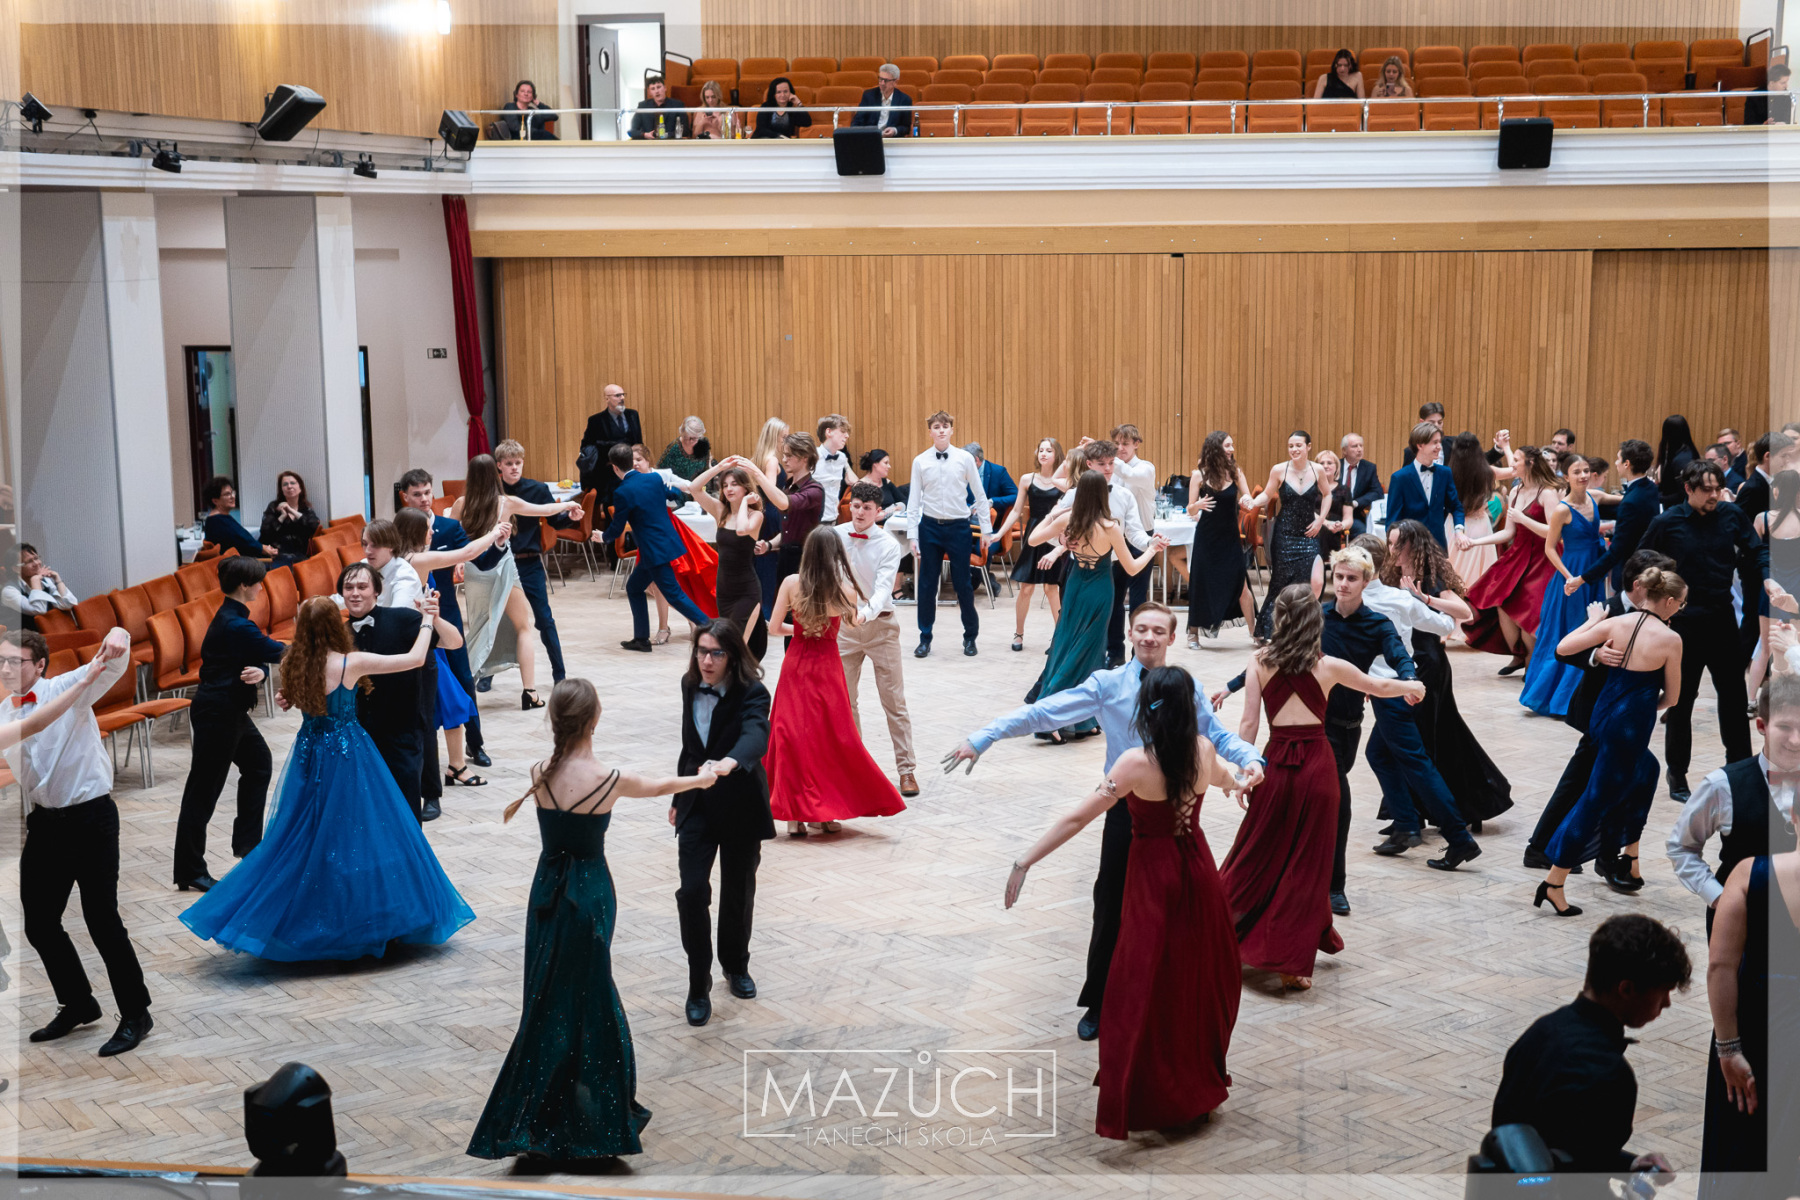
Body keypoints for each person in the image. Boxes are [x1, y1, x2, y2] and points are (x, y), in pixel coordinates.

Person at [947, 602, 1264, 1041]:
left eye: (1158, 630)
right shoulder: (1107, 684)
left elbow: (1216, 737)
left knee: (1177, 914)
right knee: (1111, 903)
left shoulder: (1183, 687)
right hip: (1125, 809)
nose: (1149, 637)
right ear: (1130, 634)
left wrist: (1250, 759)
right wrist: (986, 735)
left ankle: (1166, 1002)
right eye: (1141, 629)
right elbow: (1044, 712)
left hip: (1175, 818)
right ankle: (1099, 999)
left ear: (1172, 638)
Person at [468, 682, 711, 1166]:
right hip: (591, 894)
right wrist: (703, 778)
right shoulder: (609, 778)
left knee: (545, 999)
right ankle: (595, 1122)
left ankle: (537, 1118)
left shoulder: (539, 772)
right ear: (594, 720)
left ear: (555, 720)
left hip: (547, 893)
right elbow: (661, 785)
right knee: (591, 997)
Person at [1004, 665, 1241, 1137]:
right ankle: (1193, 1084)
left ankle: (1148, 1085)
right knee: (1193, 981)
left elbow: (1077, 819)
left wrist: (1024, 861)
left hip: (1153, 877)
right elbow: (1224, 780)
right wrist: (1243, 781)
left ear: (1146, 708)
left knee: (1139, 985)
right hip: (1198, 871)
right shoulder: (1203, 748)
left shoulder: (1135, 763)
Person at [183, 597, 474, 960]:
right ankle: (359, 918)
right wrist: (428, 620)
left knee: (306, 833)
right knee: (361, 832)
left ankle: (301, 914)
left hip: (310, 754)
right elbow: (415, 659)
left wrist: (286, 695)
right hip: (348, 756)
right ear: (336, 625)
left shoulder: (293, 661)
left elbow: (291, 697)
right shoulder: (350, 663)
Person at [1223, 583, 1425, 990]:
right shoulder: (1329, 666)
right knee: (1309, 866)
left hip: (1275, 765)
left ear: (1279, 619)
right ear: (1316, 622)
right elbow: (1377, 687)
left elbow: (1248, 724)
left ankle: (1218, 928)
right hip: (1318, 768)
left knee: (1256, 853)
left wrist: (1245, 772)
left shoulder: (1258, 661)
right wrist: (1412, 686)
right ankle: (1289, 961)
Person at [3, 626, 153, 1057]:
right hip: (45, 824)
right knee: (39, 922)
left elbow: (113, 664)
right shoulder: (5, 712)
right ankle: (78, 1002)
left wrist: (119, 633)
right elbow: (27, 729)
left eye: (15, 661)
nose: (6, 669)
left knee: (101, 919)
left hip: (91, 818)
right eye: (1, 661)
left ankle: (137, 1013)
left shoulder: (71, 686)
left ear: (40, 665)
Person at [1492, 914, 1688, 1182]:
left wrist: (1630, 1165)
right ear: (1626, 989)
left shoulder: (1539, 1033)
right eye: (1664, 991)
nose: (1667, 1003)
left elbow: (1559, 1152)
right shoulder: (1608, 1074)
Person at [1535, 570, 1687, 914]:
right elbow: (1673, 697)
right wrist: (1644, 706)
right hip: (1628, 730)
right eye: (1681, 603)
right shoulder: (1670, 639)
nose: (1681, 609)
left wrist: (1593, 623)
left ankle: (1630, 857)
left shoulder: (1617, 623)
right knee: (1593, 802)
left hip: (1602, 719)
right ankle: (1554, 883)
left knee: (1647, 772)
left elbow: (1562, 648)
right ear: (1669, 601)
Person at [1349, 538, 1485, 872]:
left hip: (1391, 693)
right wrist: (1421, 602)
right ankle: (1406, 824)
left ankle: (1458, 838)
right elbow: (1445, 625)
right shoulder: (1398, 597)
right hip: (1404, 685)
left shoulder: (1357, 603)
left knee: (1417, 764)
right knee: (1379, 754)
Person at [765, 526, 906, 836]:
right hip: (828, 668)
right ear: (836, 556)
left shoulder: (791, 583)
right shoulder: (846, 590)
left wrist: (799, 631)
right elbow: (852, 624)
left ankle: (794, 816)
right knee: (827, 738)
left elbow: (774, 628)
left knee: (792, 736)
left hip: (797, 665)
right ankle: (824, 813)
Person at [1641, 460, 1762, 801]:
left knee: (1734, 699)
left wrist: (1767, 577)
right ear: (1688, 489)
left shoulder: (1731, 515)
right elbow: (1641, 561)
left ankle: (1740, 769)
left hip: (1722, 620)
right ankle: (1677, 774)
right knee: (1681, 701)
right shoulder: (1667, 522)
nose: (1714, 495)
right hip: (1683, 624)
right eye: (1706, 490)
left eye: (1718, 489)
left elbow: (1756, 550)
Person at [673, 620, 773, 1027]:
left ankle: (736, 965)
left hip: (740, 804)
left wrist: (729, 762)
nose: (707, 661)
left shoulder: (754, 692)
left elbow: (756, 735)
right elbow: (690, 747)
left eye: (716, 653)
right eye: (702, 651)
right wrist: (680, 796)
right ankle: (698, 984)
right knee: (692, 892)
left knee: (738, 891)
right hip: (697, 804)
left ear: (732, 656)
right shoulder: (689, 684)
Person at [1381, 521, 1513, 828]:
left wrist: (1426, 599)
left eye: (1397, 544)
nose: (1392, 550)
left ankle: (1422, 813)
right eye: (1389, 543)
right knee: (1436, 735)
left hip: (1429, 666)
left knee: (1421, 738)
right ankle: (1449, 807)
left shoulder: (1431, 578)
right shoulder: (1390, 576)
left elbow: (1465, 612)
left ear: (1413, 546)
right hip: (1405, 665)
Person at [1022, 471, 1166, 743]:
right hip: (1100, 590)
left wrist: (1054, 516)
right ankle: (1048, 717)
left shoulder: (1068, 520)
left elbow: (1032, 540)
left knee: (1067, 645)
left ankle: (1081, 719)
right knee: (1087, 651)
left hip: (1076, 586)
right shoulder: (1110, 527)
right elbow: (1132, 568)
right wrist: (1152, 549)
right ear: (1102, 495)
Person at [172, 556, 287, 892]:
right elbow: (276, 651)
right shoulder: (236, 625)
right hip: (218, 713)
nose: (261, 587)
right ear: (244, 586)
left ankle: (248, 845)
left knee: (259, 763)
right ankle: (190, 869)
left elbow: (249, 657)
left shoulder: (235, 620)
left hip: (229, 709)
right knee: (203, 790)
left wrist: (260, 671)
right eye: (258, 582)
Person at [393, 507, 510, 811]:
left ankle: (456, 766)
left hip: (432, 640)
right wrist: (494, 532)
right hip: (420, 643)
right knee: (437, 710)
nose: (432, 532)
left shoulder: (411, 558)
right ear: (417, 533)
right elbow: (467, 552)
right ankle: (434, 782)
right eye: (427, 529)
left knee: (454, 702)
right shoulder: (414, 560)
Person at [1701, 844, 1799, 1190]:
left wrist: (1728, 1048)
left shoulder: (1749, 874)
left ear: (1792, 818)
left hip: (1757, 1027)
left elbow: (1720, 966)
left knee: (1742, 1145)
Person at [1668, 671, 1800, 919]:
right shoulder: (1722, 785)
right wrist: (1721, 898)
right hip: (1739, 922)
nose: (1795, 740)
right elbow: (1681, 847)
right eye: (1784, 727)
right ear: (1762, 726)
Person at [336, 559, 459, 821]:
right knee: (366, 813)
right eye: (348, 588)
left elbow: (454, 642)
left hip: (402, 731)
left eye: (362, 587)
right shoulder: (338, 635)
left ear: (376, 591)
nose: (355, 593)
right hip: (358, 736)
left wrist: (435, 618)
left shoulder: (402, 619)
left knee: (405, 812)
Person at [451, 453, 575, 708]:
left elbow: (451, 538)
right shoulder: (506, 503)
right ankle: (529, 692)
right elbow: (545, 510)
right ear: (495, 474)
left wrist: (457, 561)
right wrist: (568, 505)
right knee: (523, 627)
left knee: (480, 627)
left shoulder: (461, 504)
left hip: (475, 570)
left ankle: (462, 688)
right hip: (502, 567)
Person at [397, 468, 495, 772]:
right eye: (417, 494)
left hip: (446, 616)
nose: (425, 499)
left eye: (428, 492)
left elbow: (482, 560)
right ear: (405, 497)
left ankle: (475, 744)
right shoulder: (399, 530)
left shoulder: (449, 527)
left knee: (463, 680)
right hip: (413, 624)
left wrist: (499, 544)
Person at [836, 483, 918, 796]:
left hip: (881, 627)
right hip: (844, 628)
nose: (859, 513)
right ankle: (855, 770)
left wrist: (864, 614)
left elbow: (884, 589)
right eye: (856, 506)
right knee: (845, 702)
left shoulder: (888, 545)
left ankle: (907, 770)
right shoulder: (836, 536)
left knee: (894, 702)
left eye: (866, 508)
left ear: (878, 512)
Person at [1050, 438, 1155, 666]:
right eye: (1102, 464)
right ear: (1089, 464)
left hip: (1112, 564)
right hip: (1079, 566)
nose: (1108, 469)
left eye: (1111, 463)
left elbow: (1134, 533)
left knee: (1114, 610)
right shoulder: (1075, 494)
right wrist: (1062, 540)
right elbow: (1052, 528)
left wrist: (1150, 543)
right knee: (1073, 613)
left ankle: (1115, 656)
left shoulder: (1124, 495)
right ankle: (1071, 660)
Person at [1520, 454, 1609, 717]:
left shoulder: (1595, 497)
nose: (1583, 476)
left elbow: (1628, 499)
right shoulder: (1562, 509)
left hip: (1593, 572)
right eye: (1577, 472)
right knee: (1571, 632)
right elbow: (1550, 548)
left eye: (1586, 471)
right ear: (1566, 476)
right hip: (1572, 575)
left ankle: (1582, 696)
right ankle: (1560, 700)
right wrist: (1570, 577)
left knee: (1591, 630)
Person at [601, 444, 712, 653]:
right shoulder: (654, 479)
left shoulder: (622, 491)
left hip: (654, 551)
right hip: (661, 546)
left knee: (674, 594)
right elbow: (673, 495)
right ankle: (641, 639)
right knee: (634, 588)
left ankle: (712, 629)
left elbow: (617, 528)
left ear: (615, 467)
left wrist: (602, 537)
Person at [1464, 446, 1562, 673]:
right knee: (1500, 602)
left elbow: (1554, 532)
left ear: (1530, 464)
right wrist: (1476, 542)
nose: (1512, 464)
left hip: (1543, 558)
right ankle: (1518, 656)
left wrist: (1524, 519)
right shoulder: (1516, 491)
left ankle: (1531, 666)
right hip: (1518, 555)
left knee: (1529, 612)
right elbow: (1509, 532)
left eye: (1516, 460)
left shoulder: (1547, 493)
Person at [905, 412, 990, 658]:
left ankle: (970, 637)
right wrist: (912, 536)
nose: (941, 430)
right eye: (936, 426)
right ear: (930, 432)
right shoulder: (920, 461)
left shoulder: (965, 458)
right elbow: (913, 501)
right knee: (927, 584)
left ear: (952, 430)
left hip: (959, 527)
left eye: (945, 426)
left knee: (963, 583)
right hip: (929, 527)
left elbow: (980, 495)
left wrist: (986, 529)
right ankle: (925, 638)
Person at [494, 440, 577, 685]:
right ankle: (487, 674)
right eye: (509, 463)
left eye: (518, 463)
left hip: (529, 563)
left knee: (544, 619)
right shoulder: (493, 491)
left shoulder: (537, 489)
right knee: (496, 619)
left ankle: (559, 675)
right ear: (499, 465)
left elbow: (556, 522)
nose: (514, 468)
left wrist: (571, 517)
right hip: (500, 563)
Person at [1245, 430, 1328, 640]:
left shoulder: (1317, 470)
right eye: (1291, 446)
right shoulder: (1279, 469)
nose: (1294, 449)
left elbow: (1327, 495)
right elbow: (1266, 494)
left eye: (1298, 445)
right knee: (1281, 583)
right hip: (1285, 535)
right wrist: (1253, 502)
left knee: (1316, 581)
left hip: (1309, 533)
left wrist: (1320, 520)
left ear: (1308, 447)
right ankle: (1271, 630)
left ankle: (1305, 625)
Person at [991, 438, 1068, 651]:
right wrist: (1000, 533)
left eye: (1049, 450)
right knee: (1026, 588)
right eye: (1041, 450)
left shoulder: (1064, 481)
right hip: (1034, 534)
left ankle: (1059, 638)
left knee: (1052, 588)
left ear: (1056, 454)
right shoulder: (1027, 479)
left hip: (1054, 534)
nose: (1043, 454)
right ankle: (1019, 634)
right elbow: (1016, 510)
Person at [686, 461, 767, 660]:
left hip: (746, 591)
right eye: (725, 485)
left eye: (734, 484)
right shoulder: (720, 511)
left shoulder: (756, 515)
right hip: (724, 591)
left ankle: (742, 678)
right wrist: (719, 468)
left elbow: (741, 529)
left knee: (735, 647)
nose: (729, 489)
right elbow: (694, 488)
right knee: (726, 645)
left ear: (746, 488)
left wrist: (745, 503)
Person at [1184, 431, 1257, 645]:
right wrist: (1196, 506)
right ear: (1215, 447)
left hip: (1230, 538)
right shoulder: (1199, 475)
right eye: (1227, 445)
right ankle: (1193, 633)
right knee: (1200, 584)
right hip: (1206, 538)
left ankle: (1255, 633)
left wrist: (1248, 501)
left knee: (1241, 586)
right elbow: (1189, 510)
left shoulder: (1235, 472)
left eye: (1232, 445)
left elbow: (1247, 496)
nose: (1232, 449)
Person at [1578, 440, 1659, 594]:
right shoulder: (1650, 487)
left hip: (1631, 572)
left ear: (1626, 464)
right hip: (1646, 563)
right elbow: (1630, 513)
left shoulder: (1631, 501)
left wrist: (1584, 578)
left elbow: (1616, 551)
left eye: (1618, 459)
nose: (1616, 463)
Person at [1106, 425, 1158, 657]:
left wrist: (1105, 454)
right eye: (1116, 444)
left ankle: (1138, 655)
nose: (1120, 448)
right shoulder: (1113, 470)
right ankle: (1115, 652)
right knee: (1115, 597)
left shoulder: (1145, 468)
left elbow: (1129, 474)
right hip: (1117, 539)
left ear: (1136, 444)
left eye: (1125, 444)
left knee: (1137, 599)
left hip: (1141, 539)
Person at [1385, 423, 1471, 552]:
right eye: (1435, 442)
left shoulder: (1445, 473)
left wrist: (1459, 531)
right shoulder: (1400, 478)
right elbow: (1393, 520)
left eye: (1439, 442)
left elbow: (1455, 506)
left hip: (1438, 546)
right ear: (1420, 445)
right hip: (1410, 547)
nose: (1439, 447)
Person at [748, 418, 791, 617]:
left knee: (760, 565)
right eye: (784, 437)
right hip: (772, 514)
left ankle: (759, 613)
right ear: (775, 437)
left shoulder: (757, 458)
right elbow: (770, 489)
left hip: (760, 513)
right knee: (769, 567)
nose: (786, 441)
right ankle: (766, 615)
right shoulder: (772, 460)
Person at [1445, 432, 1500, 588]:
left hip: (1453, 525)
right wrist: (1504, 447)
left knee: (1451, 569)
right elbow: (1515, 471)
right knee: (1480, 577)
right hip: (1479, 527)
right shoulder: (1487, 472)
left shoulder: (1447, 473)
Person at [579, 383, 642, 503]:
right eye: (617, 395)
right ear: (607, 399)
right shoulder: (596, 420)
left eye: (623, 395)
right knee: (613, 505)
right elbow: (587, 446)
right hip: (608, 474)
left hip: (631, 469)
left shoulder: (633, 415)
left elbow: (638, 442)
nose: (622, 398)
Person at [3, 542, 77, 631]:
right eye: (29, 561)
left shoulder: (45, 581)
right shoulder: (9, 591)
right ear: (16, 568)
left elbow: (67, 604)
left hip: (51, 631)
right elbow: (39, 610)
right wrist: (35, 581)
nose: (37, 563)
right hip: (25, 636)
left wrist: (58, 580)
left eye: (36, 558)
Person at [199, 475, 276, 559]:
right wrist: (264, 549)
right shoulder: (218, 521)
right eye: (227, 494)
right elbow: (245, 543)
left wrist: (263, 548)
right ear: (215, 501)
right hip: (240, 563)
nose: (232, 496)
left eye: (232, 493)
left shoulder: (219, 519)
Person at [256, 470, 320, 565]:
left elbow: (314, 526)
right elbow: (265, 533)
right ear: (281, 490)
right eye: (285, 484)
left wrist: (291, 510)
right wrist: (282, 517)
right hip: (275, 555)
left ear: (300, 488)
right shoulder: (274, 507)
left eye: (293, 483)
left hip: (299, 556)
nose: (289, 486)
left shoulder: (305, 508)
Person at [1654, 414, 1702, 511]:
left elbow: (1684, 494)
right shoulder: (1685, 452)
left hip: (1679, 510)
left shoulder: (1682, 460)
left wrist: (1657, 497)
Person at [851, 63, 914, 136]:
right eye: (880, 79)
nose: (882, 83)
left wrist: (894, 130)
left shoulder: (904, 99)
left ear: (895, 82)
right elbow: (857, 122)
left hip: (892, 140)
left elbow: (906, 127)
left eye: (886, 80)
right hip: (871, 137)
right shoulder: (868, 96)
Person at [1340, 432, 1383, 538]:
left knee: (1363, 534)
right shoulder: (1335, 465)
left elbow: (1377, 492)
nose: (1359, 449)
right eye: (1354, 446)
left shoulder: (1369, 468)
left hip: (1354, 515)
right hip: (1332, 513)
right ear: (1344, 450)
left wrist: (1355, 503)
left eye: (1361, 446)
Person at [965, 440, 1017, 526]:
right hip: (966, 522)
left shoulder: (998, 472)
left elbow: (1016, 496)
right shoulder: (962, 473)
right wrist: (969, 508)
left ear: (976, 460)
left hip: (992, 524)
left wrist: (991, 502)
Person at [815, 415, 858, 517]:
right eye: (843, 431)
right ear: (829, 432)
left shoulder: (842, 457)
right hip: (814, 518)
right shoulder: (812, 456)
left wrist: (847, 468)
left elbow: (854, 481)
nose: (847, 436)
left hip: (833, 516)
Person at [1314, 449, 1354, 555]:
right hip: (1313, 527)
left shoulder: (1344, 490)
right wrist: (1326, 523)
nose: (1325, 466)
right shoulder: (1310, 488)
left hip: (1334, 531)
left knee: (1328, 532)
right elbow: (1307, 511)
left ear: (1336, 467)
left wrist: (1341, 525)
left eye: (1329, 463)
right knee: (1321, 530)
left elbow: (1348, 518)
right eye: (1321, 463)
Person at [658, 416, 712, 482]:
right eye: (687, 437)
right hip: (678, 486)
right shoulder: (674, 448)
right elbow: (660, 470)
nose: (691, 441)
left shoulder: (703, 444)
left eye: (694, 438)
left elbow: (706, 470)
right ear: (683, 434)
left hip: (700, 485)